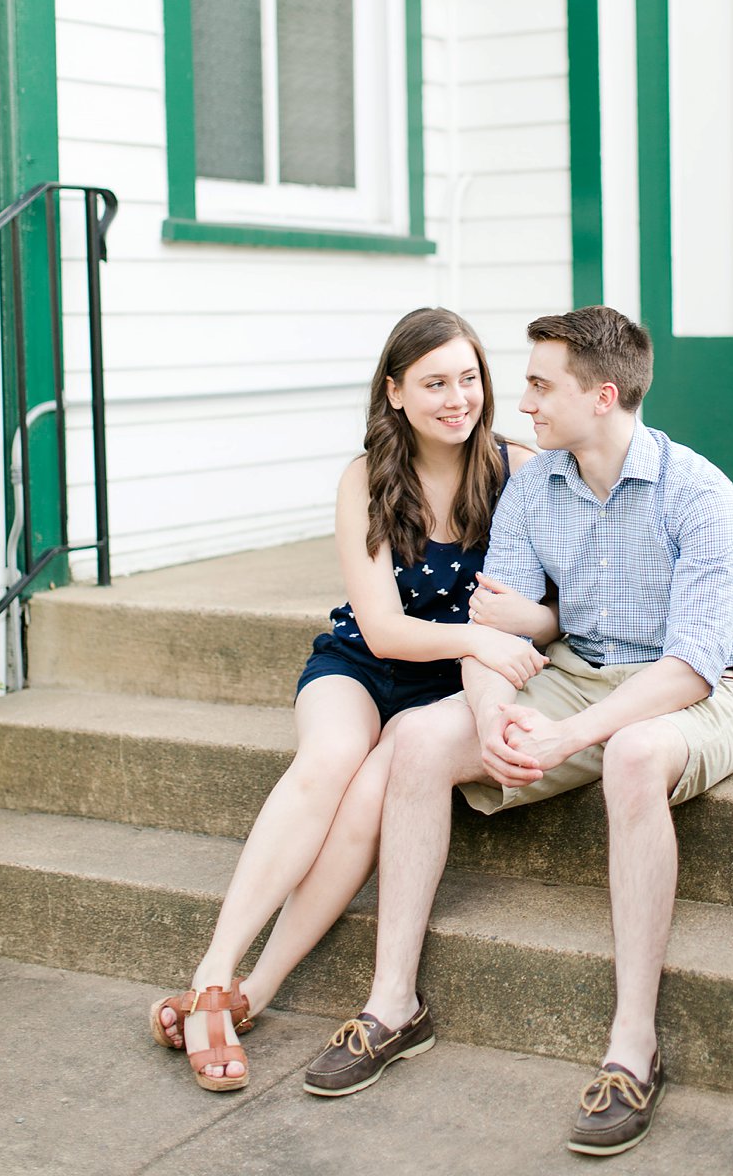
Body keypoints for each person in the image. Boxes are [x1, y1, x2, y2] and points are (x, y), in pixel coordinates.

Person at [302, 305, 733, 1159]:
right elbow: (495, 626)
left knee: (628, 755)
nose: (525, 403)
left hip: (691, 693)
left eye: (542, 386)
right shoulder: (534, 484)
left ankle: (633, 1047)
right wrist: (486, 713)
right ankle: (394, 1004)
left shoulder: (699, 493)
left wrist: (561, 738)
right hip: (578, 672)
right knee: (418, 739)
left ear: (604, 396)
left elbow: (691, 667)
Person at [150, 307, 554, 1091]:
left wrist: (519, 630)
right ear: (396, 392)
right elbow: (384, 627)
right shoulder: (366, 476)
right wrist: (477, 637)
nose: (457, 398)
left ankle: (252, 996)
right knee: (333, 754)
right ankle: (212, 971)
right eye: (435, 382)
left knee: (371, 795)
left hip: (442, 695)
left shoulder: (519, 469)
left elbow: (557, 595)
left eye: (469, 379)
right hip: (364, 663)